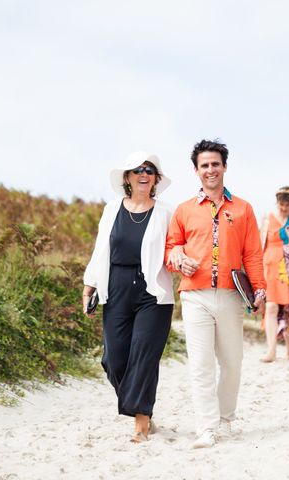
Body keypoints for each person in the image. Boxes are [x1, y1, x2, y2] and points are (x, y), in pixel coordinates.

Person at [165, 139, 265, 449]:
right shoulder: (183, 210)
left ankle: (226, 418)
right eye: (204, 165)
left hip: (231, 295)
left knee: (233, 362)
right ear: (196, 171)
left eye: (215, 164)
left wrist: (260, 289)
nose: (210, 169)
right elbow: (171, 248)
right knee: (201, 365)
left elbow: (253, 253)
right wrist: (177, 257)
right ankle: (206, 428)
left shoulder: (243, 208)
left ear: (224, 167)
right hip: (194, 295)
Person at [82, 151, 174, 443]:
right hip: (117, 286)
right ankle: (140, 407)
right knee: (114, 359)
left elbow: (175, 248)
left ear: (156, 178)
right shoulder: (111, 209)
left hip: (153, 291)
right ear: (127, 178)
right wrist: (89, 286)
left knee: (144, 356)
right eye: (136, 170)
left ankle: (141, 422)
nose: (143, 173)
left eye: (149, 169)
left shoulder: (165, 213)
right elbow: (100, 249)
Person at [259, 186, 289, 362]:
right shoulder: (267, 218)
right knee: (271, 307)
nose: (284, 207)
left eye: (287, 204)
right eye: (281, 203)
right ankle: (271, 350)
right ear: (277, 202)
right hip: (270, 266)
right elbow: (260, 244)